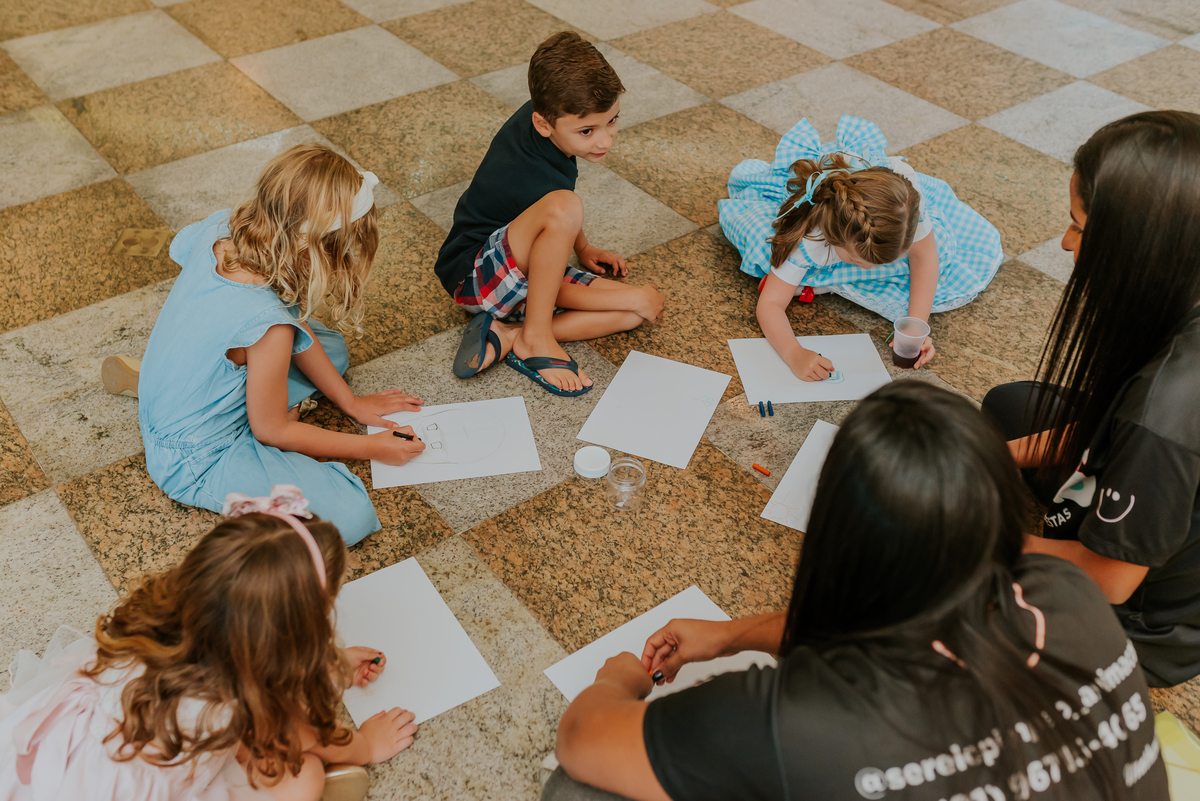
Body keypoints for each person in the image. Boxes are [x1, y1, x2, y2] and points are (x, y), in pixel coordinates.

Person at [546, 382, 1167, 801]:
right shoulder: (1063, 589)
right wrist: (730, 635)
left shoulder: (791, 719)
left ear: (838, 542)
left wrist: (618, 679)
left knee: (574, 793)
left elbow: (580, 739)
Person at [0, 485, 417, 801]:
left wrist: (333, 662)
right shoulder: (240, 698)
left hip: (64, 765)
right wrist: (366, 745)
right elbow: (307, 737)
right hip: (132, 785)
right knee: (303, 773)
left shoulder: (162, 618)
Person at [102, 143, 425, 546]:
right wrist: (370, 446)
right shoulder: (270, 327)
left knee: (328, 347)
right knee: (348, 516)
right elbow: (271, 429)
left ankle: (164, 385)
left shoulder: (222, 226)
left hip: (171, 384)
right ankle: (264, 442)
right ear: (316, 248)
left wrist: (352, 403)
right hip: (194, 459)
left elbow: (195, 269)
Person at [982, 110, 1200, 689]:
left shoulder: (1166, 408)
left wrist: (963, 529)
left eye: (1080, 226)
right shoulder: (1183, 302)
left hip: (1145, 622)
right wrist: (992, 459)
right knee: (1008, 407)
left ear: (1140, 246)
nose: (1064, 241)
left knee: (929, 581)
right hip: (1159, 493)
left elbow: (1109, 581)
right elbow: (1103, 423)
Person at [436, 31, 666, 397]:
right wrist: (634, 294)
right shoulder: (530, 168)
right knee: (572, 214)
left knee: (631, 315)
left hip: (517, 268)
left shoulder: (546, 118)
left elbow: (553, 220)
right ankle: (537, 339)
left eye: (612, 121)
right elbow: (558, 214)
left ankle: (510, 335)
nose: (605, 140)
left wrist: (585, 249)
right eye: (588, 130)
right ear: (544, 124)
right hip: (475, 275)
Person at [721, 116, 1003, 381]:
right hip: (813, 206)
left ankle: (812, 281)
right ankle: (806, 280)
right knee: (766, 252)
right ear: (835, 237)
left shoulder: (905, 202)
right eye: (857, 260)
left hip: (869, 189)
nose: (869, 269)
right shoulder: (810, 238)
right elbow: (770, 305)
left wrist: (916, 326)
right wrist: (794, 354)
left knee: (940, 253)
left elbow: (925, 255)